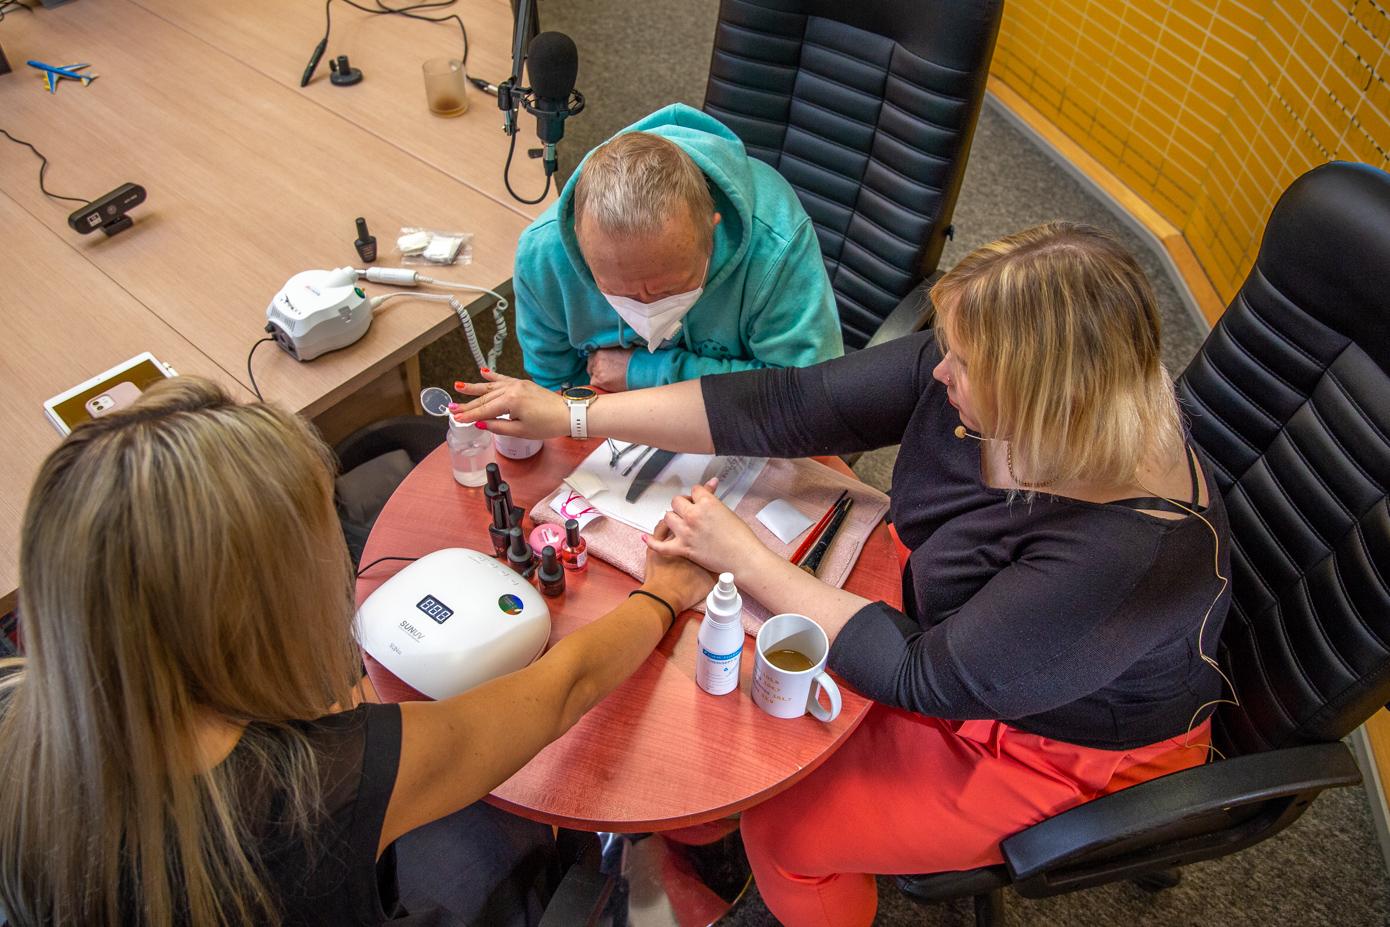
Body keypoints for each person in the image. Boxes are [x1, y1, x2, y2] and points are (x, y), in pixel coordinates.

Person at [454, 222, 1232, 927]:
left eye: (963, 364)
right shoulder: (1004, 375)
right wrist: (574, 413)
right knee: (725, 704)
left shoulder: (1127, 555)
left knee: (785, 827)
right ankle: (709, 830)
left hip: (1049, 744)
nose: (939, 370)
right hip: (944, 629)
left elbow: (926, 676)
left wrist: (746, 559)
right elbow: (789, 406)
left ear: (1040, 399)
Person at [0, 377, 713, 926]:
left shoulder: (16, 709)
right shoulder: (318, 789)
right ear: (260, 606)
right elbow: (564, 689)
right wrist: (662, 595)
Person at [513, 103, 843, 393]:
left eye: (668, 290)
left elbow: (805, 395)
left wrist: (646, 373)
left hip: (744, 425)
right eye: (619, 293)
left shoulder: (776, 245)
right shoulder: (544, 255)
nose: (646, 310)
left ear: (711, 230)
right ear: (579, 241)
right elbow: (556, 386)